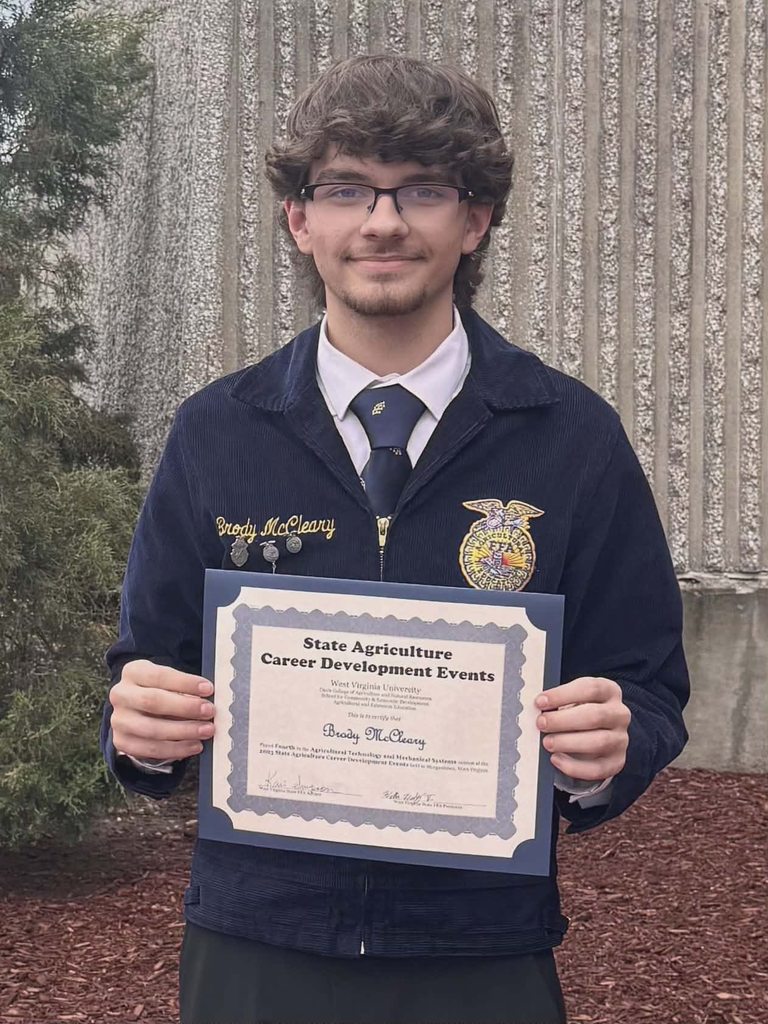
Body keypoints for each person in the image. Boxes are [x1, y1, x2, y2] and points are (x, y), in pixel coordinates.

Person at [101, 55, 689, 1024]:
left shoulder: (571, 435)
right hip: (258, 942)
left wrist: (612, 745)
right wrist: (143, 732)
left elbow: (648, 680)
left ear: (475, 218)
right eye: (346, 189)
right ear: (300, 219)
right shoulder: (218, 430)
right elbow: (146, 664)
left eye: (421, 189)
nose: (382, 222)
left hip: (479, 948)